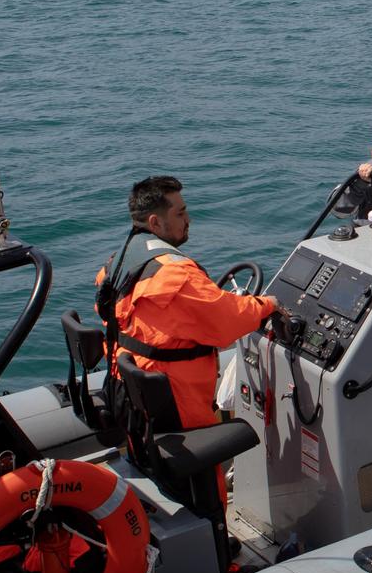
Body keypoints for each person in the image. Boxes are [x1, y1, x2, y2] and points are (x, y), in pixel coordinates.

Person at [96, 175, 277, 437]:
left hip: (130, 395)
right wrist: (268, 305)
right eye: (180, 214)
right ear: (155, 223)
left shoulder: (117, 264)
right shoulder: (178, 276)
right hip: (177, 404)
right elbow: (228, 320)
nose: (189, 220)